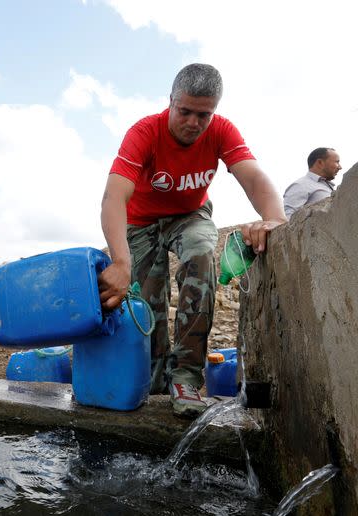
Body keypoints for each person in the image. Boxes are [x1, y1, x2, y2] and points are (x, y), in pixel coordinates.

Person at [97, 63, 287, 418]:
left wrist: (275, 219)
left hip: (190, 215)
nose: (193, 123)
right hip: (140, 223)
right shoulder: (144, 132)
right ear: (170, 102)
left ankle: (185, 376)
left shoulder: (221, 131)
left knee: (201, 251)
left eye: (204, 114)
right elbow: (113, 198)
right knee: (145, 301)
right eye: (185, 112)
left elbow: (254, 177)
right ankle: (154, 379)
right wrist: (121, 261)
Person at [283, 148, 341, 218]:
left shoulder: (327, 186)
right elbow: (288, 219)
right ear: (320, 163)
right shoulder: (301, 185)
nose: (340, 167)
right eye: (337, 162)